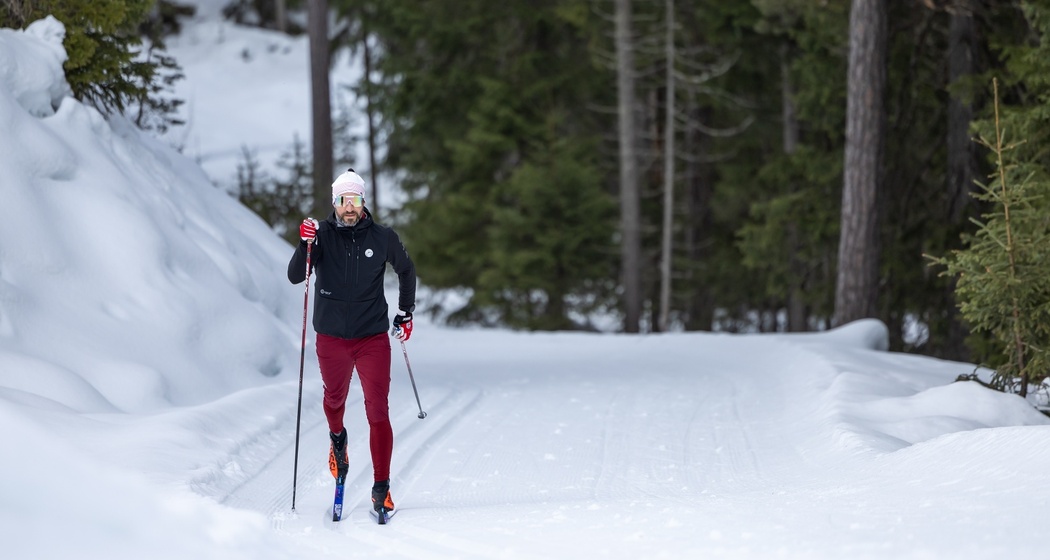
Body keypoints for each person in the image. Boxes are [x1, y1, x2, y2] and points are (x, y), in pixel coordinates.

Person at [287, 169, 416, 518]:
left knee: (378, 410)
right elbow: (296, 275)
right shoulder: (322, 236)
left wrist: (406, 312)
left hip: (371, 337)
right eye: (343, 200)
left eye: (355, 200)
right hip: (331, 337)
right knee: (334, 400)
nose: (349, 207)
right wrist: (305, 244)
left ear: (363, 202)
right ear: (334, 202)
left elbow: (406, 269)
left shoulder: (382, 237)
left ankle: (382, 488)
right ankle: (338, 442)